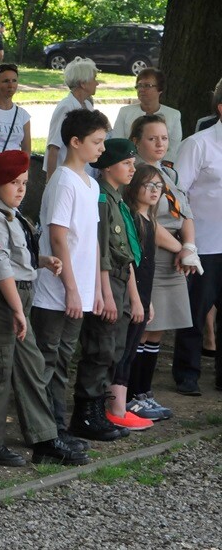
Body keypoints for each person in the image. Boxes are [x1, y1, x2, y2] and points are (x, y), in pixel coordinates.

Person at [0, 150, 88, 466]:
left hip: (18, 296)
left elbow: (19, 257)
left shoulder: (15, 216)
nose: (21, 189)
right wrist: (18, 311)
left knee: (32, 368)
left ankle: (45, 438)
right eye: (13, 183)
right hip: (3, 300)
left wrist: (42, 261)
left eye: (24, 182)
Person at [32, 108, 109, 451]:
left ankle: (56, 426)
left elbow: (90, 238)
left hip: (78, 289)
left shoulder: (90, 184)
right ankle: (45, 431)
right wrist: (73, 290)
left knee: (63, 359)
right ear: (75, 142)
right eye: (96, 142)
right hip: (56, 292)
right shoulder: (63, 181)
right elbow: (59, 236)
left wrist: (95, 288)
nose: (101, 149)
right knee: (47, 361)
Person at [70, 138, 150, 438]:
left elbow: (126, 250)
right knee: (100, 347)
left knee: (114, 349)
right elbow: (101, 249)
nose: (132, 169)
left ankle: (97, 410)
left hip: (119, 279)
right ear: (107, 167)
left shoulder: (116, 199)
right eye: (126, 164)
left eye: (133, 163)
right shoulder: (101, 198)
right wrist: (104, 293)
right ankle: (85, 414)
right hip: (106, 281)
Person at [127, 114, 196, 416]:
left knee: (159, 329)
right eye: (152, 138)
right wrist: (181, 248)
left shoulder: (168, 173)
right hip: (154, 254)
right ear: (137, 141)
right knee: (143, 328)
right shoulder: (136, 173)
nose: (159, 144)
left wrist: (190, 247)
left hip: (176, 258)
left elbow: (186, 212)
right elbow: (147, 222)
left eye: (164, 138)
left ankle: (145, 391)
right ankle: (130, 394)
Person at [110, 165, 180, 425]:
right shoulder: (132, 218)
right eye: (148, 185)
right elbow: (130, 264)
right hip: (131, 296)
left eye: (158, 187)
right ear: (134, 186)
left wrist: (147, 300)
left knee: (131, 350)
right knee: (124, 349)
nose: (154, 191)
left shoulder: (150, 219)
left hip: (143, 294)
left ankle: (124, 403)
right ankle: (117, 405)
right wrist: (137, 300)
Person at [172, 77, 222, 396]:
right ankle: (187, 373)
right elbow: (177, 193)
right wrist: (186, 242)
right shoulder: (199, 144)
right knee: (194, 312)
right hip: (204, 243)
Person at [44, 57, 99, 180]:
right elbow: (53, 147)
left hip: (84, 174)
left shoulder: (88, 105)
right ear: (82, 83)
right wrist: (51, 181)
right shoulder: (66, 107)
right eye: (94, 79)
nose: (97, 83)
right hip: (66, 175)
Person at [110, 68, 183, 162]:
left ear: (160, 89)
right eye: (139, 85)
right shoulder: (125, 112)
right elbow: (118, 143)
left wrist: (162, 169)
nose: (141, 89)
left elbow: (173, 148)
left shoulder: (173, 115)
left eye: (147, 86)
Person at [0, 63, 31, 154]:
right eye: (6, 81)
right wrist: (0, 164)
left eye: (14, 80)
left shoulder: (23, 115)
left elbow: (26, 148)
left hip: (16, 167)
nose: (11, 85)